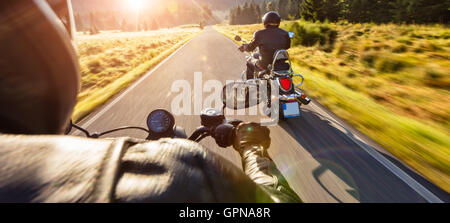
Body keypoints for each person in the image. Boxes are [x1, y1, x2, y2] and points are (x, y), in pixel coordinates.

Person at [0, 1, 301, 202]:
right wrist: (251, 146)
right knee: (254, 71)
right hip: (280, 68)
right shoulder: (183, 174)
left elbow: (251, 46)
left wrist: (247, 46)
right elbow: (271, 198)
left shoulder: (259, 32)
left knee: (250, 67)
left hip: (263, 66)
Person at [239, 11, 291, 79]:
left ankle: (250, 87)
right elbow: (287, 46)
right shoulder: (285, 33)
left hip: (265, 65)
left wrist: (244, 47)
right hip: (281, 65)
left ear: (265, 21)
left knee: (249, 62)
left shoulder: (259, 34)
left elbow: (251, 47)